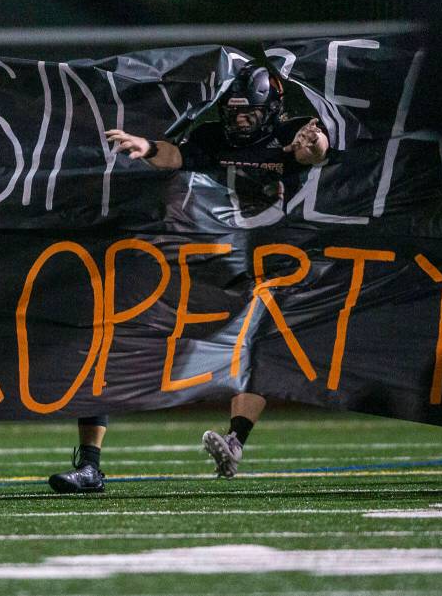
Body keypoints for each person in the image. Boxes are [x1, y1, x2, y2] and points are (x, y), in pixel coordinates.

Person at [48, 62, 330, 493]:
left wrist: (316, 146)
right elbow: (177, 154)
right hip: (197, 257)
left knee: (264, 346)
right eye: (233, 111)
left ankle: (235, 440)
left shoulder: (292, 135)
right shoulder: (212, 136)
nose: (239, 119)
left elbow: (316, 151)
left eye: (249, 111)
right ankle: (90, 465)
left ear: (272, 109)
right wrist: (147, 145)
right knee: (112, 338)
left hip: (257, 265)